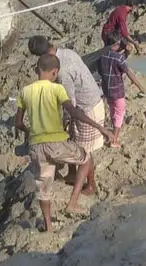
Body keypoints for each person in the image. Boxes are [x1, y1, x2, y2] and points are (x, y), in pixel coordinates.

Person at [14, 54, 116, 232]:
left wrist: (29, 132)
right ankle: (73, 202)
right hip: (56, 144)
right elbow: (74, 112)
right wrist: (102, 129)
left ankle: (49, 226)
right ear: (55, 72)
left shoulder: (25, 91)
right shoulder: (57, 89)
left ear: (38, 70)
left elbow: (18, 123)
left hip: (36, 147)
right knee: (86, 158)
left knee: (43, 187)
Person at [27, 36, 105, 194]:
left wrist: (61, 123)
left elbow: (71, 106)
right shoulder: (66, 52)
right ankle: (71, 173)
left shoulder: (63, 73)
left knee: (84, 151)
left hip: (87, 108)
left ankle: (90, 185)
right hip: (86, 102)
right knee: (71, 139)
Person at [98, 31, 146, 147]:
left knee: (113, 111)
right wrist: (141, 87)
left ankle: (112, 133)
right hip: (117, 91)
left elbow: (105, 68)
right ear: (116, 44)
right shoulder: (119, 57)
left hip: (107, 90)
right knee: (120, 113)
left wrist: (126, 53)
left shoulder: (102, 56)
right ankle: (114, 140)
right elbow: (127, 71)